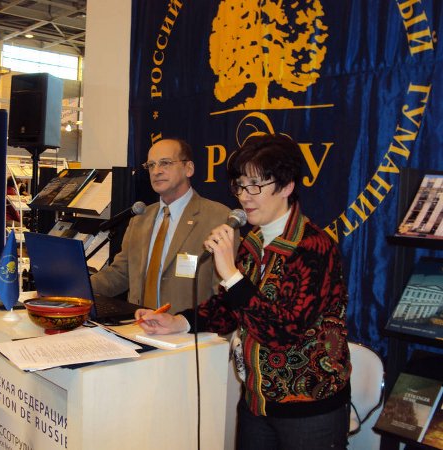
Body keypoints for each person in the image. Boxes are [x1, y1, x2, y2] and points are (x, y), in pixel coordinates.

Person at [136, 134, 351, 450]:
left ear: (286, 187)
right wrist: (179, 322)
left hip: (309, 408)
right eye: (239, 186)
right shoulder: (254, 242)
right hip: (255, 401)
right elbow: (229, 308)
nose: (244, 197)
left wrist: (231, 274)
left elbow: (282, 331)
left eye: (255, 186)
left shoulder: (313, 247)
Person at [90, 138, 236, 312]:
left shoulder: (218, 218)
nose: (156, 171)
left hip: (189, 327)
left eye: (165, 163)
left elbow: (222, 290)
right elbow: (121, 273)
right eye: (151, 165)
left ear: (189, 168)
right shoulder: (140, 219)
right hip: (140, 323)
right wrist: (78, 286)